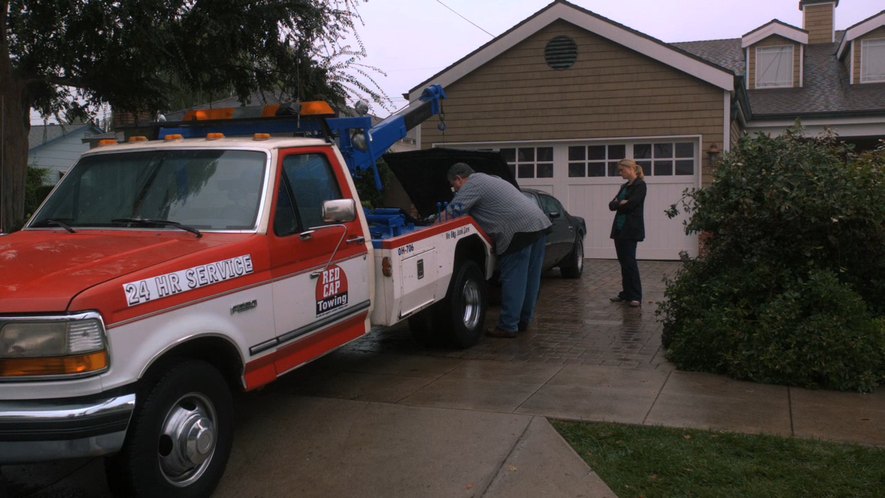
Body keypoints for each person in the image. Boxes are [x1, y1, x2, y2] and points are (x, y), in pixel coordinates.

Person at [447, 162, 552, 338]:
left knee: (515, 280)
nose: (455, 191)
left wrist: (431, 223)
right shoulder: (492, 179)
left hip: (518, 231)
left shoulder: (472, 184)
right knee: (531, 279)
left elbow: (453, 212)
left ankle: (508, 326)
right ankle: (523, 321)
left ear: (459, 179)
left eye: (454, 186)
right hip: (539, 224)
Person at [608, 158, 646, 308]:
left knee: (630, 262)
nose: (620, 173)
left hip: (631, 230)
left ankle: (636, 296)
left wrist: (622, 203)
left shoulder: (640, 185)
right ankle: (626, 293)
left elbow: (632, 205)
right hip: (619, 229)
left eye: (621, 170)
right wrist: (620, 203)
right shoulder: (624, 186)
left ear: (630, 169)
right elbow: (611, 205)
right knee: (623, 262)